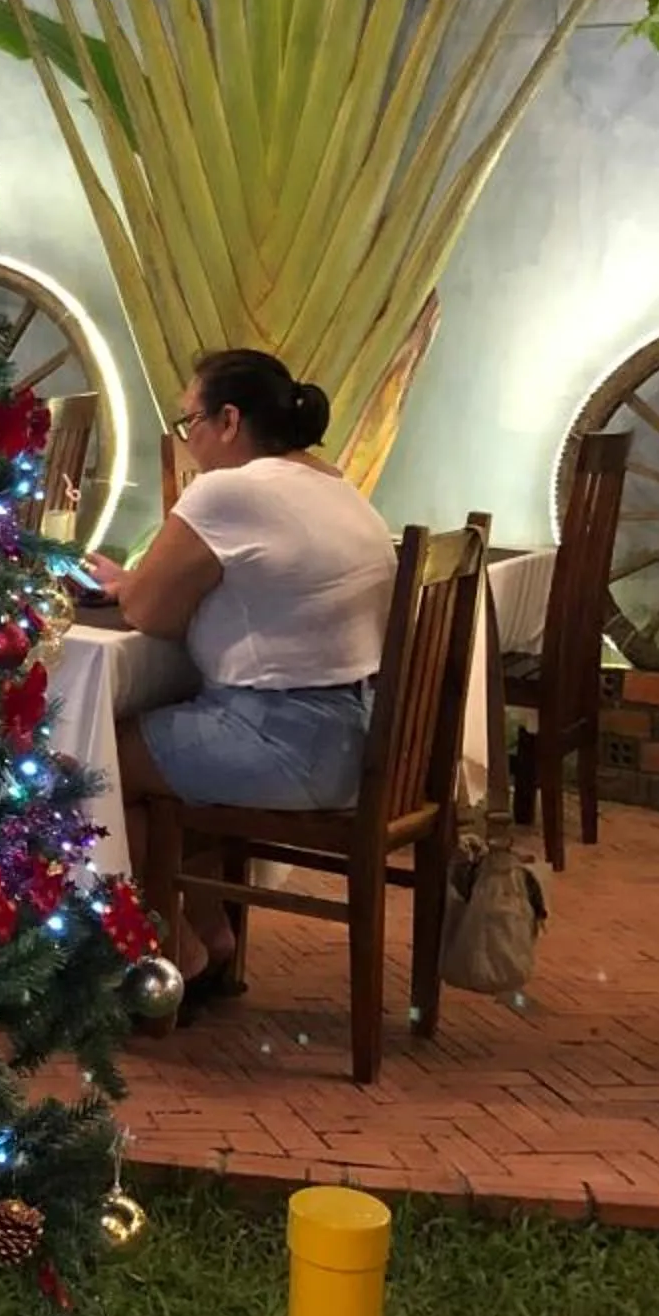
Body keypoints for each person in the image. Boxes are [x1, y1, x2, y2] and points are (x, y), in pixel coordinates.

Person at [83, 348, 394, 989]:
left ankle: (175, 955)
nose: (187, 442)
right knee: (167, 744)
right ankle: (211, 931)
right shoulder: (336, 485)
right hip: (355, 736)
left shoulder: (229, 490)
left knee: (95, 759)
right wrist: (137, 582)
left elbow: (148, 612)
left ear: (228, 421)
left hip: (286, 742)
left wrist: (130, 587)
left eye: (188, 423)